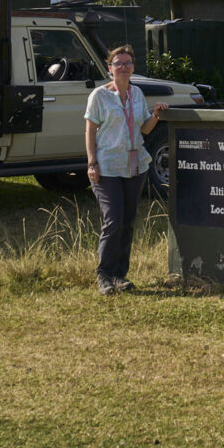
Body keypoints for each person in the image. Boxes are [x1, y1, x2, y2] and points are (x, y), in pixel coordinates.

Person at [85, 44, 168, 295]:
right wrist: (92, 163)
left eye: (127, 63)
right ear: (109, 68)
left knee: (128, 221)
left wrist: (156, 115)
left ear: (133, 68)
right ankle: (104, 275)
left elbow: (144, 128)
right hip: (107, 167)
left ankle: (120, 275)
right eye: (118, 63)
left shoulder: (137, 94)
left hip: (135, 166)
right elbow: (90, 131)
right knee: (113, 220)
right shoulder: (99, 96)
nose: (123, 67)